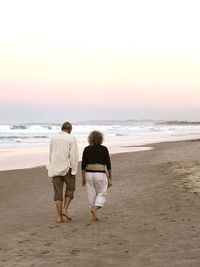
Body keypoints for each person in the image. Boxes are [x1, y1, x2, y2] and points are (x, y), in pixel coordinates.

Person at [47, 122, 79, 223]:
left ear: (62, 129)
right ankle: (64, 209)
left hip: (55, 168)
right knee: (70, 189)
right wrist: (74, 169)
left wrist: (51, 165)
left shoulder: (53, 138)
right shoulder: (71, 138)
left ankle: (58, 217)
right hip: (67, 168)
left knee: (57, 193)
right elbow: (74, 155)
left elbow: (51, 153)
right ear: (70, 129)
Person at [81, 130, 112, 221]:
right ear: (101, 138)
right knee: (102, 193)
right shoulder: (104, 149)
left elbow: (83, 165)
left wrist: (83, 178)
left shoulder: (86, 149)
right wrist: (110, 176)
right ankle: (95, 209)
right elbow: (108, 164)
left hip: (89, 174)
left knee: (91, 194)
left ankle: (93, 215)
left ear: (90, 139)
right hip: (100, 174)